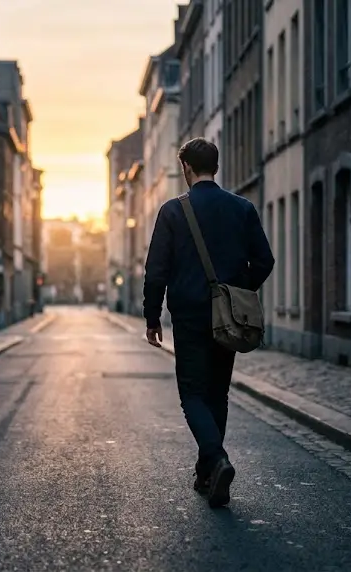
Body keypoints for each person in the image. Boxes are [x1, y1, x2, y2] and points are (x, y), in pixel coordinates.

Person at [142, 137, 275, 508]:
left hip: (188, 317)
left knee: (192, 394)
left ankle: (216, 460)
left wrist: (152, 316)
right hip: (226, 317)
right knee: (218, 393)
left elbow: (156, 270)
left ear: (186, 167)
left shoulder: (173, 211)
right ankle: (207, 473)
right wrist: (236, 292)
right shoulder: (242, 208)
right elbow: (264, 261)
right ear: (215, 166)